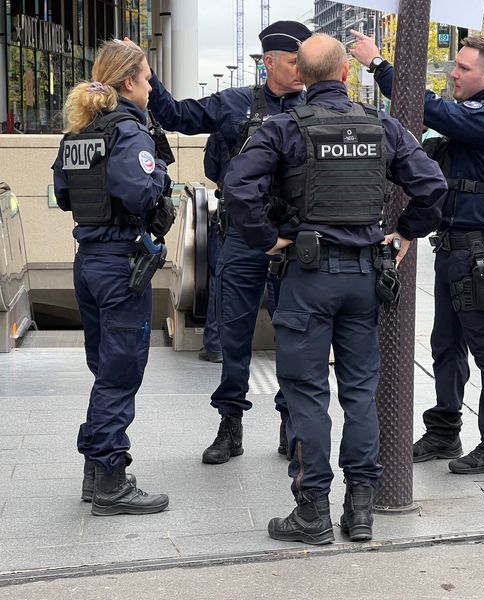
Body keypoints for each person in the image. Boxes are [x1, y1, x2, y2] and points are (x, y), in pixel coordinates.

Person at [224, 33, 447, 545]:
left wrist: (268, 240)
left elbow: (238, 188)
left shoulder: (284, 127)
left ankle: (312, 512)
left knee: (307, 394)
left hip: (307, 276)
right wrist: (405, 231)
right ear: (347, 74)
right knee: (360, 395)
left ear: (299, 76)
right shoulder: (381, 124)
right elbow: (432, 185)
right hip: (365, 278)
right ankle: (361, 511)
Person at [126, 21, 312, 464]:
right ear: (268, 62)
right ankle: (230, 426)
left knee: (296, 335)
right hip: (244, 237)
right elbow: (175, 116)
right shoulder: (234, 104)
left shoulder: (315, 108)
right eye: (292, 62)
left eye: (305, 62)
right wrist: (144, 68)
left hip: (292, 239)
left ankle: (293, 426)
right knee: (234, 335)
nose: (301, 70)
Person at [352, 32, 484, 474]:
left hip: (479, 251)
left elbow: (426, 107)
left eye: (463, 69)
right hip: (457, 249)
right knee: (446, 346)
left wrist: (378, 65)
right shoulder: (480, 118)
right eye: (455, 65)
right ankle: (444, 430)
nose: (454, 73)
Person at [52, 40, 170, 516]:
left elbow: (63, 195)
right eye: (146, 78)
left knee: (106, 369)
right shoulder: (128, 130)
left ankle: (93, 469)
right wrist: (159, 169)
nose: (150, 87)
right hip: (123, 262)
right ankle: (110, 481)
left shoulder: (80, 132)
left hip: (89, 261)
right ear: (128, 83)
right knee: (121, 372)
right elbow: (138, 190)